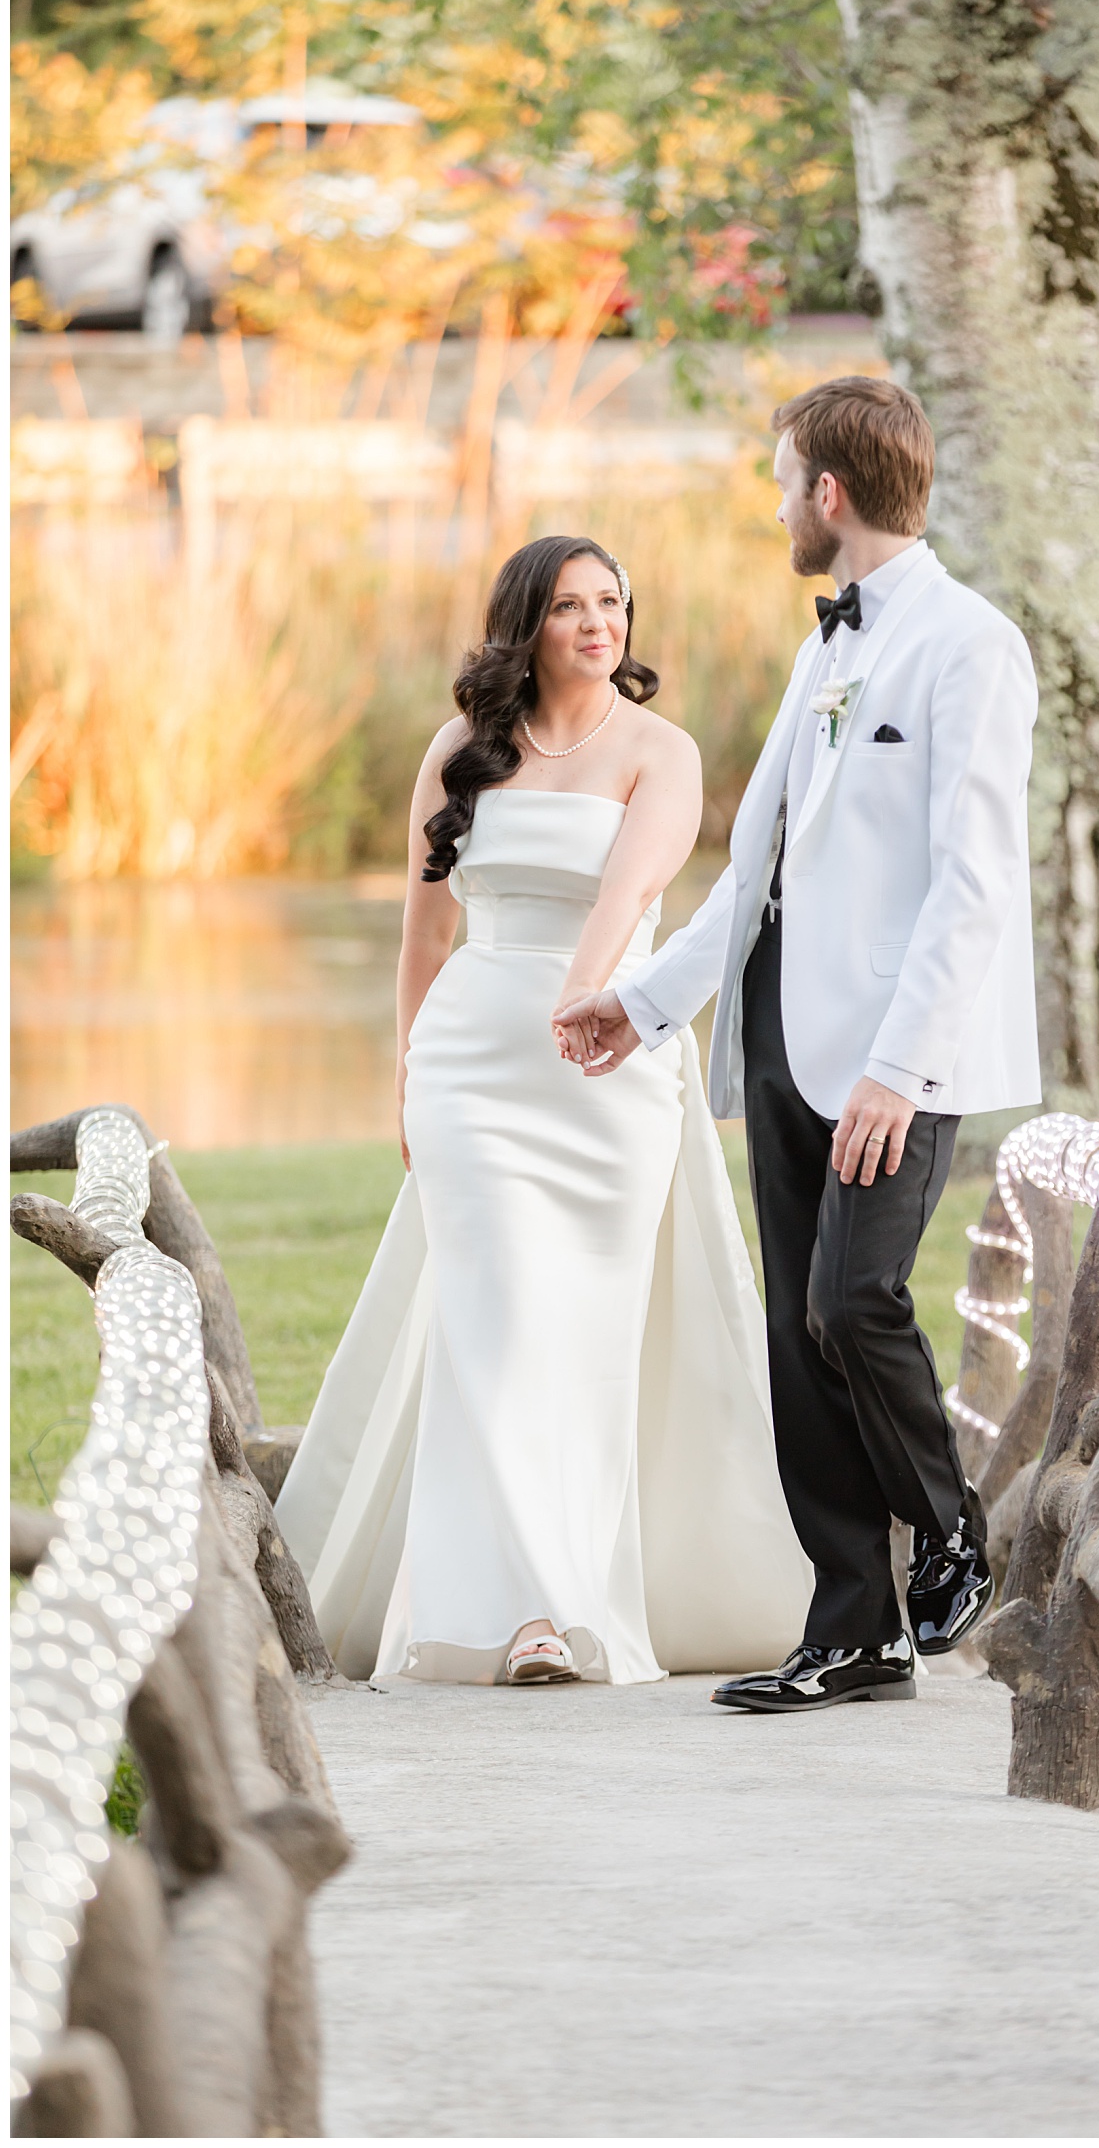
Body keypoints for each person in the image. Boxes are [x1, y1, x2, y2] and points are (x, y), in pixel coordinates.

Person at [558, 377, 1040, 1713]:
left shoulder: (970, 645)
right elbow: (755, 865)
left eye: (783, 484)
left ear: (829, 494)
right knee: (792, 1328)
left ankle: (947, 1526)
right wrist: (647, 999)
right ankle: (853, 1629)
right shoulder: (822, 647)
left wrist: (903, 1064)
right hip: (776, 1030)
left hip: (894, 1049)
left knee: (852, 1299)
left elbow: (974, 879)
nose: (777, 506)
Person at [276, 536, 811, 1687]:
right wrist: (408, 1074)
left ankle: (573, 1596)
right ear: (526, 622)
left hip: (604, 1069)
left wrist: (583, 991)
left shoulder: (658, 752)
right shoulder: (458, 752)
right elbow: (422, 938)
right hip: (472, 1062)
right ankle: (522, 1613)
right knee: (498, 1313)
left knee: (583, 1333)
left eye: (611, 601)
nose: (595, 622)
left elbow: (632, 889)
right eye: (569, 605)